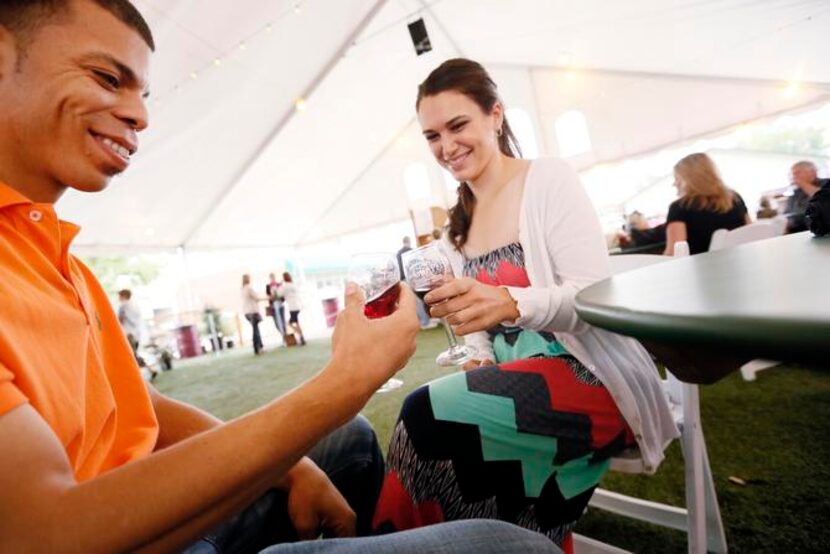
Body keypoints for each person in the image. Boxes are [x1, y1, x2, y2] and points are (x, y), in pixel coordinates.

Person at [0, 5, 560, 553]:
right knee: (514, 546)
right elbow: (42, 534)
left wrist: (292, 469)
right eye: (106, 77)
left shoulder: (55, 253)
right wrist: (343, 383)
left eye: (141, 94)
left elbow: (137, 405)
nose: (141, 116)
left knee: (355, 441)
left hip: (149, 509)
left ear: (497, 116)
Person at [371, 58, 677, 551]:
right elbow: (475, 327)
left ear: (495, 115)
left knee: (422, 415)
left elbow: (594, 301)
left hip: (588, 373)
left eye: (457, 125)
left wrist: (511, 302)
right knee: (447, 436)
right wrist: (478, 354)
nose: (446, 147)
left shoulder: (547, 180)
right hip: (514, 383)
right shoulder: (457, 225)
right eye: (432, 136)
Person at [663, 152, 750, 255]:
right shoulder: (735, 198)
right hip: (742, 264)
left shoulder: (679, 208)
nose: (674, 184)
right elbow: (750, 233)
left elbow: (673, 253)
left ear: (689, 180)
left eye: (677, 178)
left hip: (701, 270)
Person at [783, 161, 828, 233]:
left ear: (812, 172)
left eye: (797, 173)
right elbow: (789, 217)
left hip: (818, 230)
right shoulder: (796, 192)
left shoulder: (826, 183)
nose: (794, 176)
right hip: (796, 232)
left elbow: (823, 198)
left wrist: (802, 183)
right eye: (793, 174)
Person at [397, 236, 431, 328]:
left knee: (412, 302)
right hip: (413, 279)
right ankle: (424, 322)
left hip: (403, 280)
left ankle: (421, 322)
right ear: (409, 241)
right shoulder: (412, 251)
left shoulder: (398, 253)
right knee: (419, 301)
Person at [242, 274, 267, 354]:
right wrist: (268, 298)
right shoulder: (249, 288)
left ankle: (260, 347)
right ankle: (257, 348)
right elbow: (256, 298)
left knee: (255, 329)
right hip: (252, 311)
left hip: (246, 312)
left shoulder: (243, 289)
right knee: (255, 331)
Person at [280, 272, 306, 346]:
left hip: (292, 307)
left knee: (290, 323)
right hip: (297, 305)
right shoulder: (292, 285)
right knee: (296, 322)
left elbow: (279, 294)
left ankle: (301, 335)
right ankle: (301, 336)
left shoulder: (285, 286)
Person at [267, 272, 288, 346]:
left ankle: (285, 338)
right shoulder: (268, 286)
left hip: (280, 305)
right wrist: (272, 297)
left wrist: (278, 296)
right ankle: (283, 335)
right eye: (271, 277)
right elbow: (268, 297)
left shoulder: (279, 285)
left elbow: (283, 295)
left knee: (282, 321)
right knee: (277, 323)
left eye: (273, 277)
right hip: (274, 307)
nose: (272, 278)